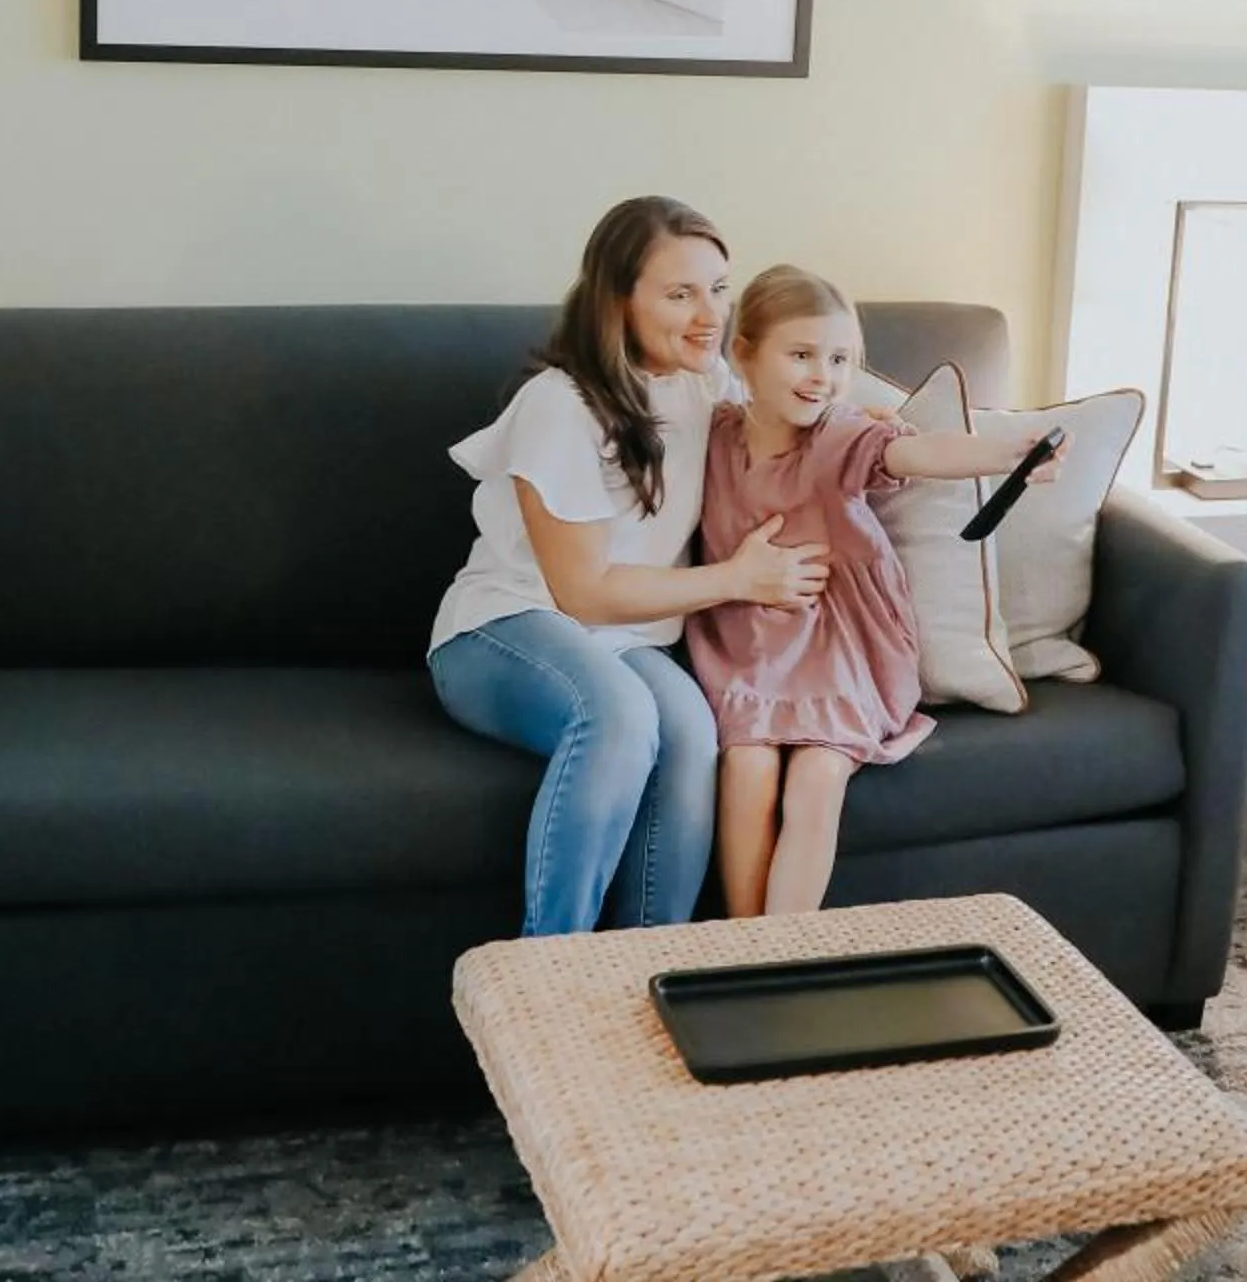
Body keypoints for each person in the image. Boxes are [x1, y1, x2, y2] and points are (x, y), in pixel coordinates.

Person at [428, 198, 832, 936]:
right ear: (619, 301)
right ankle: (549, 970)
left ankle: (646, 969)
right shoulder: (560, 404)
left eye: (718, 288)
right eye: (680, 294)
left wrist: (936, 437)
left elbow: (820, 391)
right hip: (505, 627)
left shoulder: (709, 382)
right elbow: (580, 594)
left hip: (629, 642)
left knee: (690, 735)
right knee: (617, 715)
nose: (709, 314)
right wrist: (740, 578)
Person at [691, 265, 1060, 919]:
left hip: (838, 642)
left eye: (838, 359)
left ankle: (777, 952)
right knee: (745, 767)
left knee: (817, 777)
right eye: (800, 355)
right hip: (747, 640)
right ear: (742, 353)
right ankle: (741, 950)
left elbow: (916, 456)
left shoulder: (839, 435)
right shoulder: (713, 434)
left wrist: (1006, 453)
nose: (821, 376)